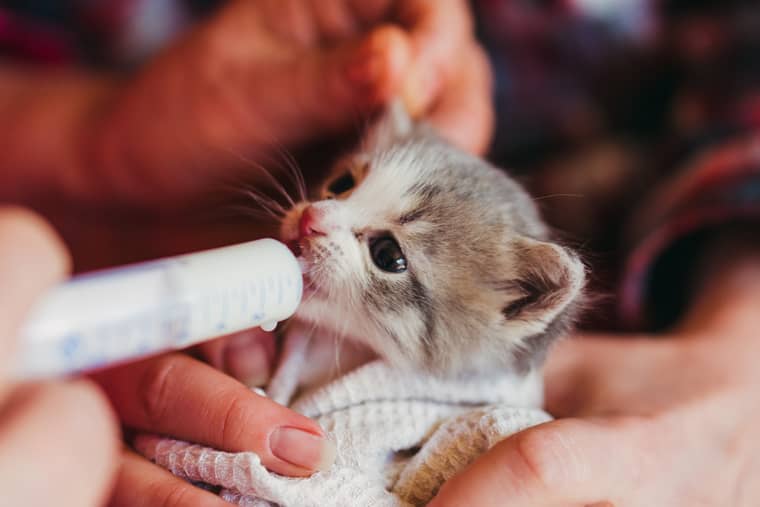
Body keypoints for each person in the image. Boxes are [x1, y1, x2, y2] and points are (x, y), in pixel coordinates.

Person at [0, 2, 759, 507]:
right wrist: (88, 151)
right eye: (343, 183)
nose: (318, 218)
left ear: (519, 303)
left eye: (388, 252)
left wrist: (740, 354)